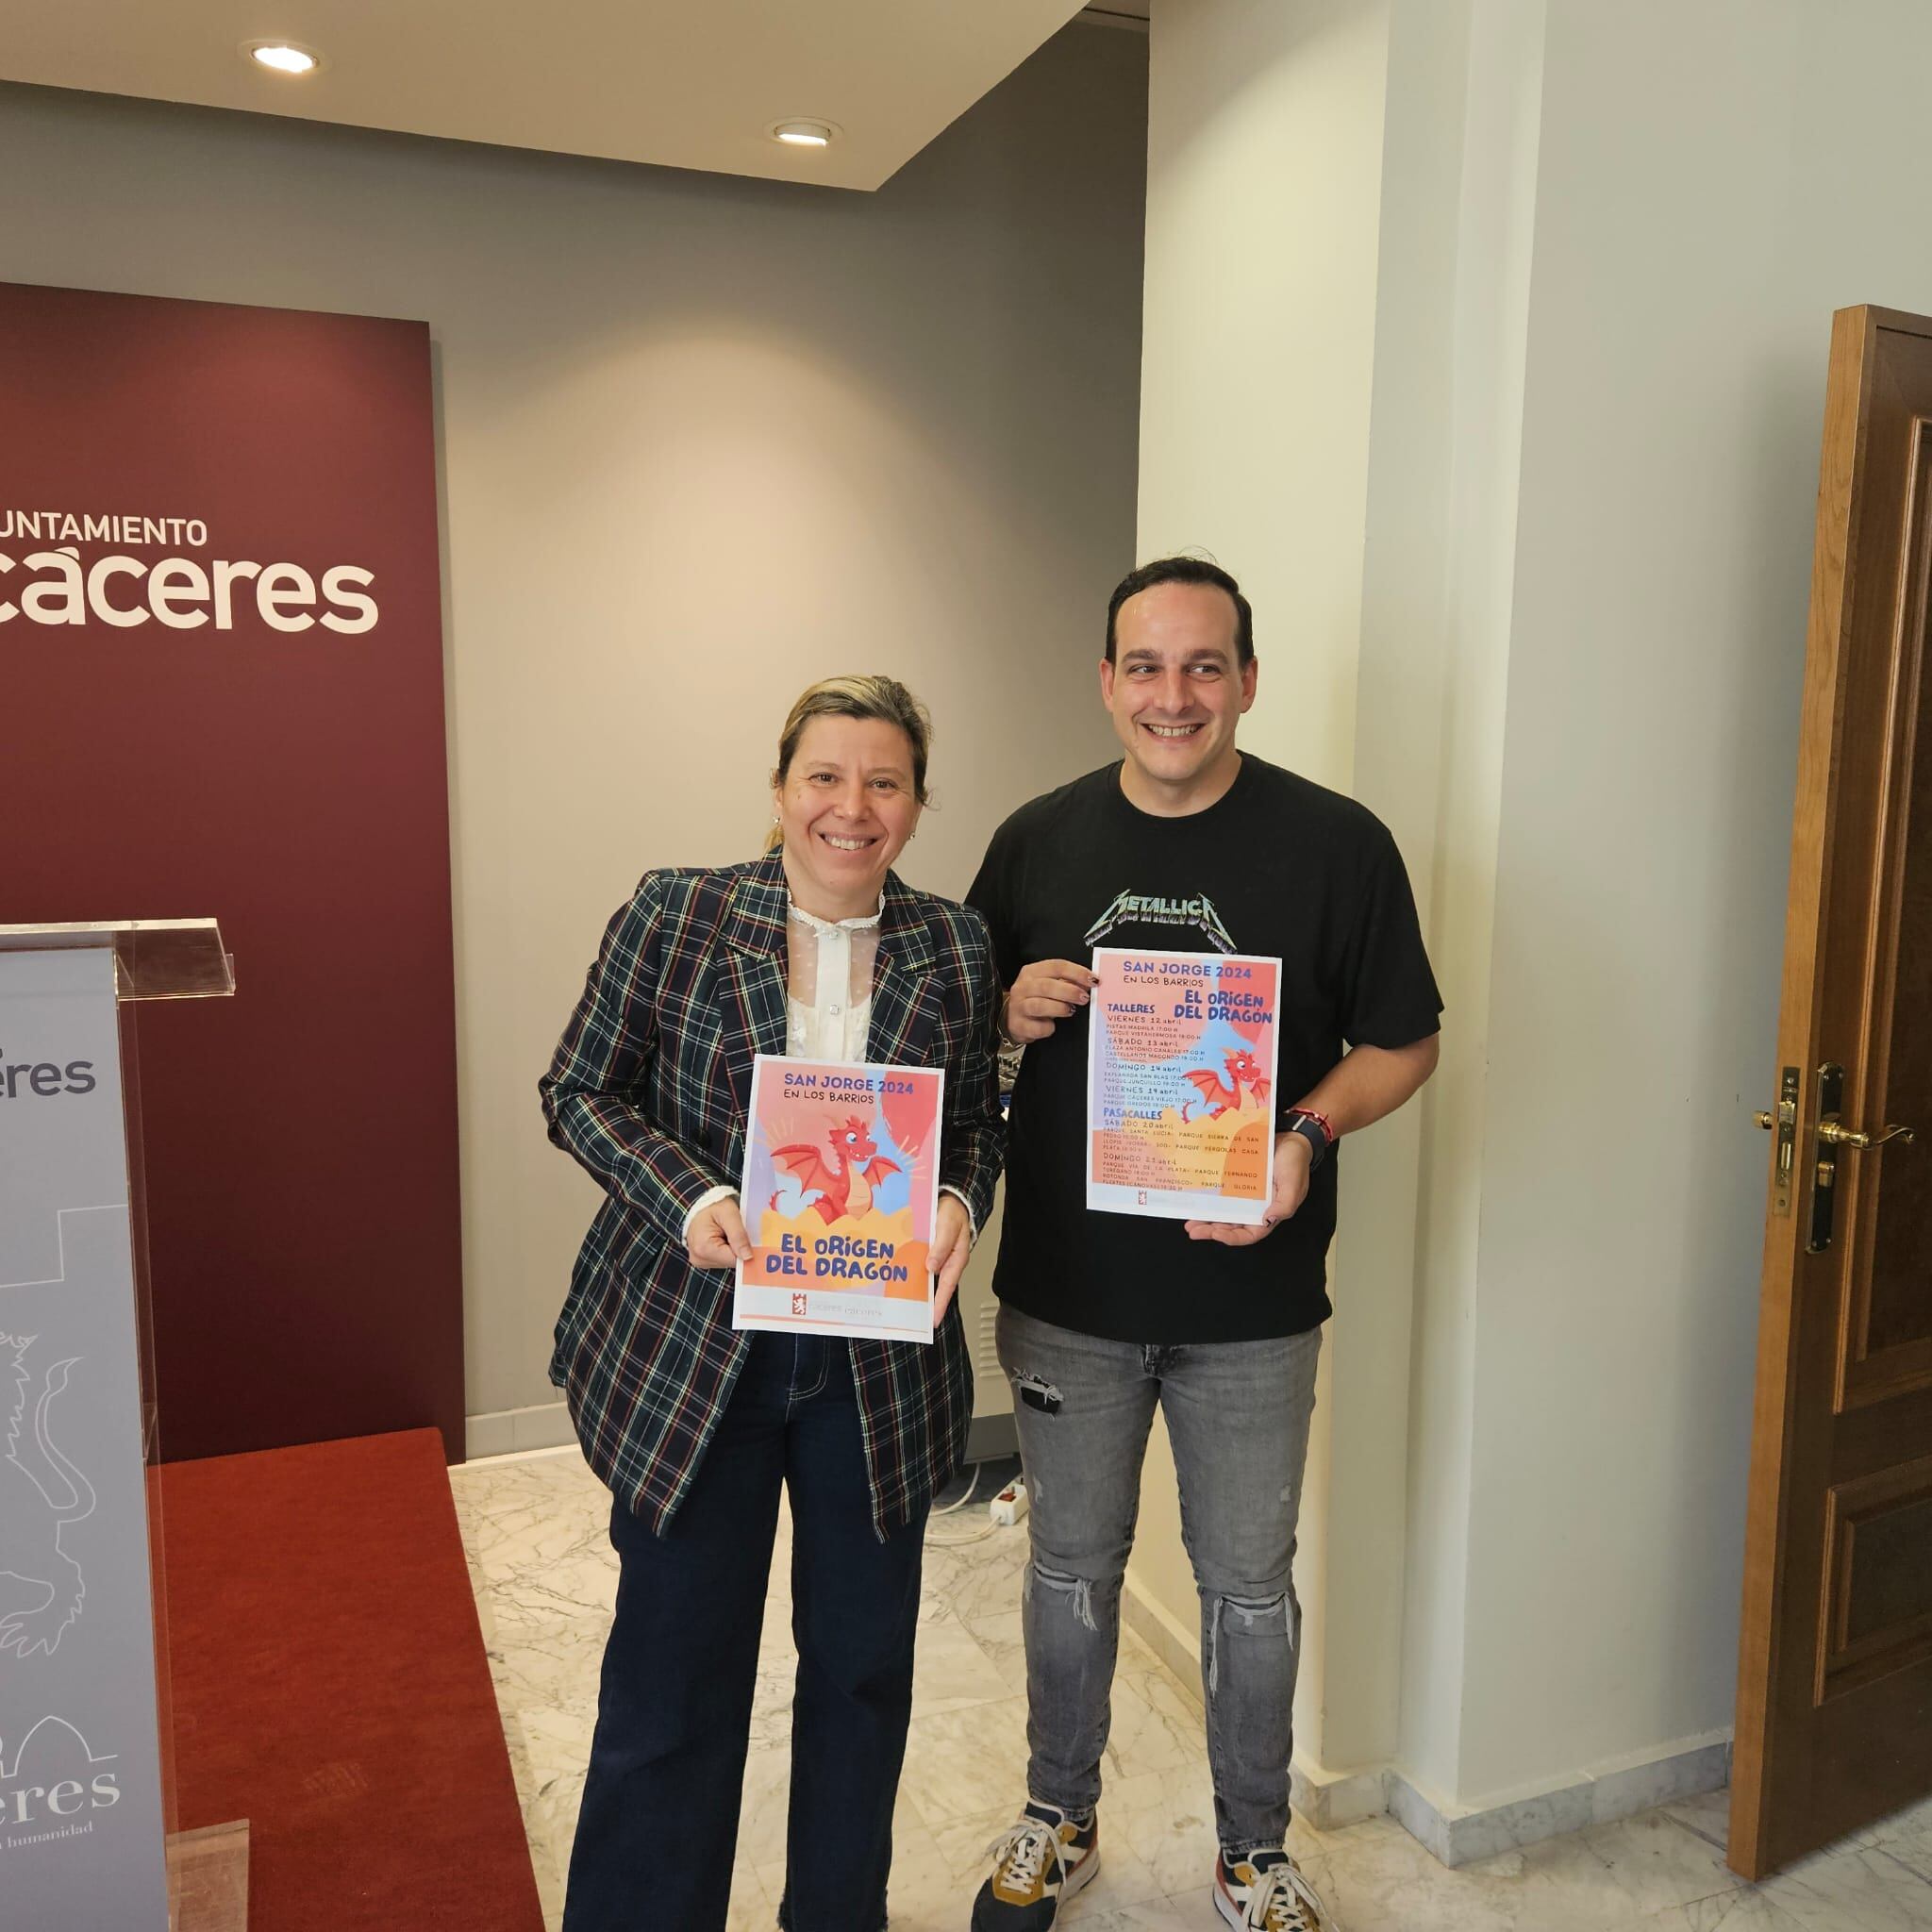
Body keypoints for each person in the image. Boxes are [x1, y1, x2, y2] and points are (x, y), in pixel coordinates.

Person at [964, 558, 1441, 1932]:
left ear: (1246, 678)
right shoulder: (1038, 840)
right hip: (1069, 1297)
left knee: (1246, 1588)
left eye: (1205, 666)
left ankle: (1252, 1852)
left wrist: (1305, 1133)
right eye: (1146, 668)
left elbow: (1404, 1041)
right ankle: (1059, 1816)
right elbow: (949, 1029)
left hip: (1254, 1301)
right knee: (1068, 1569)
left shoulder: (1337, 843)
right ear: (1106, 682)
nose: (1174, 697)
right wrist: (1010, 1006)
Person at [539, 675, 1005, 1932]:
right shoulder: (678, 914)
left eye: (885, 782)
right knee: (671, 1682)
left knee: (859, 1682)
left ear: (916, 803)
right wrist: (693, 1198)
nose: (852, 807)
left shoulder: (953, 942)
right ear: (781, 787)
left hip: (874, 1368)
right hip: (700, 1358)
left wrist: (961, 1200)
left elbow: (972, 1123)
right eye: (826, 776)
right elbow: (578, 1090)